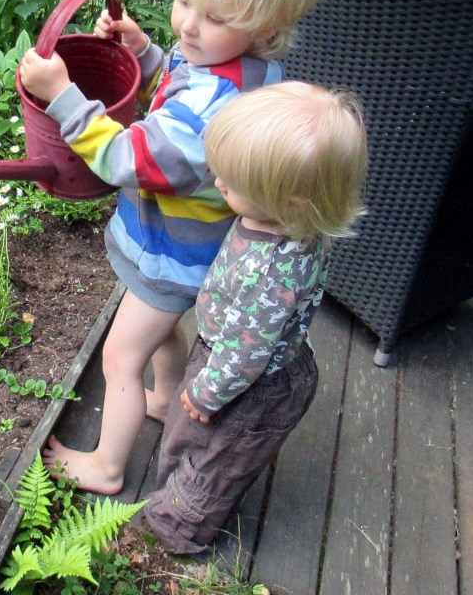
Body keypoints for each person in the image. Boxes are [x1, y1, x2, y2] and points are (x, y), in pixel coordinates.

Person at [17, 0, 323, 495]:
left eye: (212, 16)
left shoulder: (212, 107)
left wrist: (65, 99)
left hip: (173, 252)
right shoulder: (242, 65)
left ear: (265, 22)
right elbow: (183, 78)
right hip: (198, 248)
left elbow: (129, 159)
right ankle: (165, 399)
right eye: (185, 0)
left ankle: (107, 467)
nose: (188, 24)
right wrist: (144, 50)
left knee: (118, 358)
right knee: (159, 331)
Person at [142, 80, 368, 554]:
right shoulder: (281, 219)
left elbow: (248, 351)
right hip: (231, 356)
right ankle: (172, 497)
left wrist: (208, 391)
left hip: (249, 384)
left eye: (233, 182)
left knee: (216, 463)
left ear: (290, 199)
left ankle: (177, 534)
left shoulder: (273, 272)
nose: (220, 184)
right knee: (195, 442)